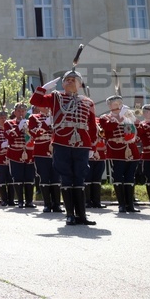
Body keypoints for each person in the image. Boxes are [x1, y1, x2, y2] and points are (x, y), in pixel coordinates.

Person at [30, 69, 98, 226]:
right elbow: (36, 102)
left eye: (74, 79)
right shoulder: (56, 97)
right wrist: (42, 89)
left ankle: (82, 215)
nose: (70, 81)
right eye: (67, 79)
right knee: (66, 177)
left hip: (81, 142)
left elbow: (92, 126)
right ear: (63, 83)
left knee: (80, 177)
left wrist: (93, 146)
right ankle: (70, 215)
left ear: (80, 84)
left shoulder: (87, 101)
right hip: (61, 141)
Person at [99, 94, 141, 213]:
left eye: (120, 104)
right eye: (115, 104)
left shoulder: (128, 116)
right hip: (116, 149)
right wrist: (120, 118)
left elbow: (140, 129)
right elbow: (108, 128)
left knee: (130, 177)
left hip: (131, 149)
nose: (118, 106)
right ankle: (121, 204)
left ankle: (130, 204)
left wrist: (133, 119)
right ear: (110, 106)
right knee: (118, 176)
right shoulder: (105, 117)